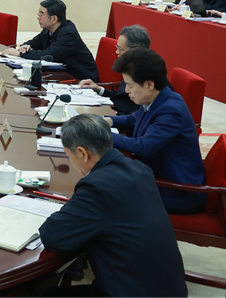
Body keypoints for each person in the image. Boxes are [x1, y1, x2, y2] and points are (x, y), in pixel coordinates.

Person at [38, 114, 187, 298]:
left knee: (49, 294)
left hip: (132, 293)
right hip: (168, 290)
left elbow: (53, 236)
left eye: (69, 156)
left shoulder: (97, 187)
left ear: (82, 153)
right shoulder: (140, 169)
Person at [106, 47, 206, 215]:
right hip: (156, 175)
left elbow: (143, 146)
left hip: (177, 191)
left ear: (149, 84)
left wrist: (102, 135)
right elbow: (134, 119)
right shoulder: (156, 97)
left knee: (108, 194)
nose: (126, 91)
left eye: (130, 86)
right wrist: (108, 121)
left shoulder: (171, 110)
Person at [6, 0, 99, 82]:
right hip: (61, 75)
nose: (38, 18)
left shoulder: (68, 34)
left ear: (54, 18)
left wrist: (19, 53)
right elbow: (34, 42)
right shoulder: (49, 29)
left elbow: (48, 55)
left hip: (82, 81)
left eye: (42, 14)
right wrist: (26, 47)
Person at [77, 25, 150, 115]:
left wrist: (111, 119)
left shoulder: (144, 74)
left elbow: (134, 114)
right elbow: (122, 98)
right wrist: (99, 89)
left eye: (120, 49)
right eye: (117, 47)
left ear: (135, 50)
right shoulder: (131, 66)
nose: (117, 52)